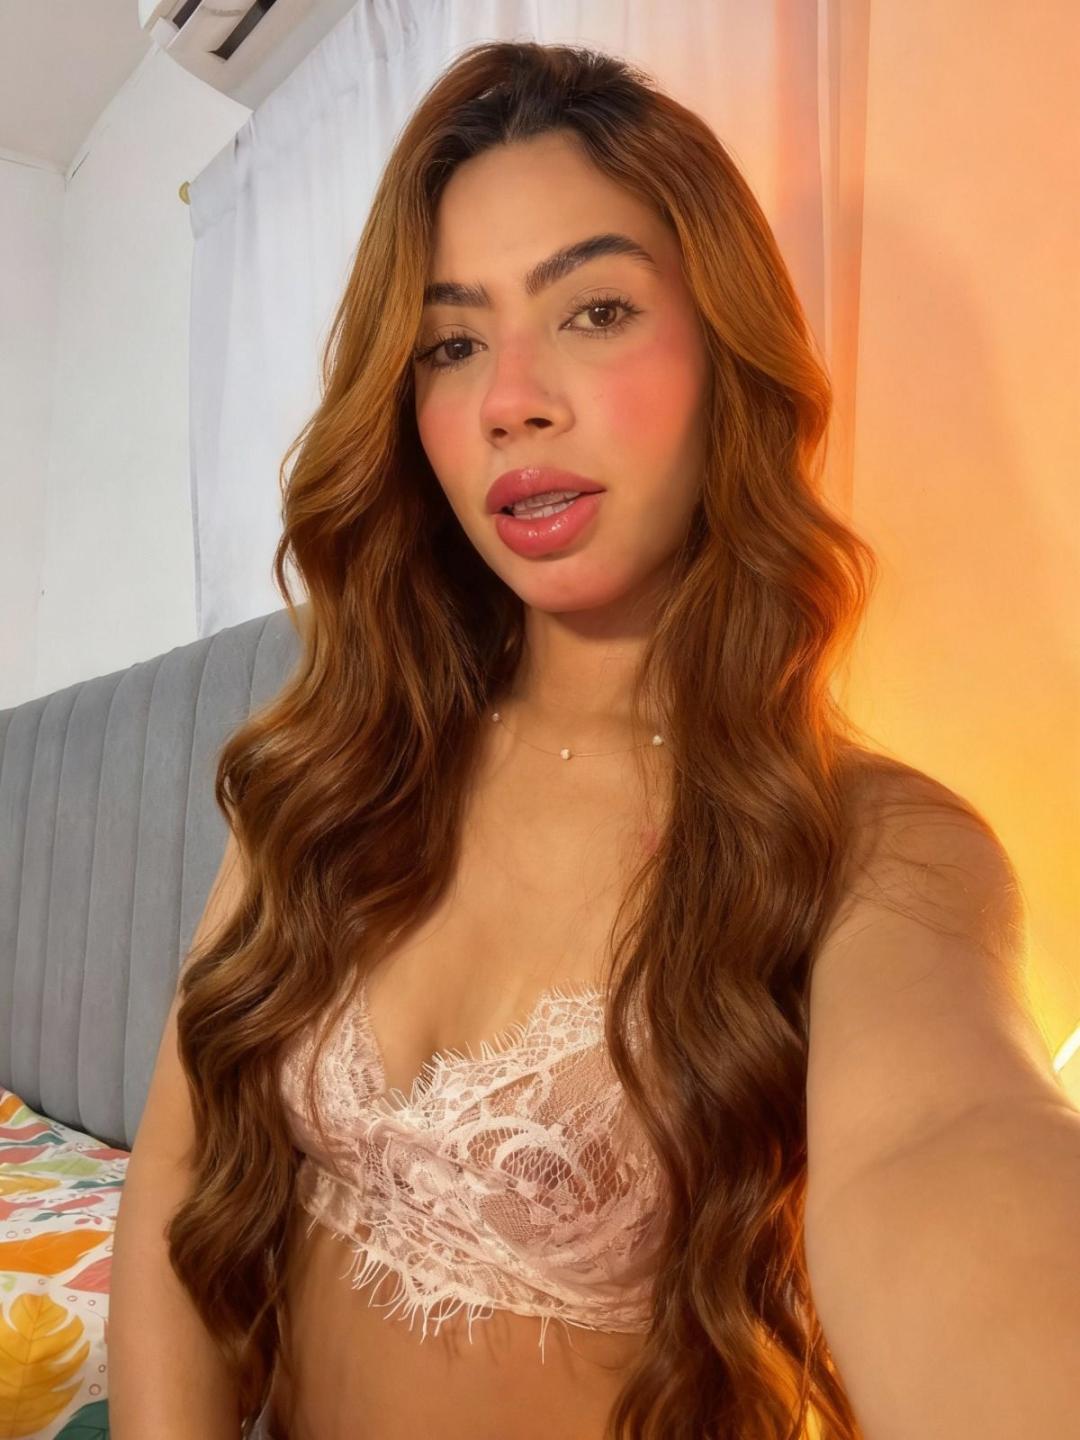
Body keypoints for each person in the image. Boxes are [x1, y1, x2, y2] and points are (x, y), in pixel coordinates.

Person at [109, 39, 1053, 1440]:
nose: (512, 399)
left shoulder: (870, 847)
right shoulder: (333, 763)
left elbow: (946, 1144)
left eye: (595, 310)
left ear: (724, 351)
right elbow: (175, 1180)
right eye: (453, 344)